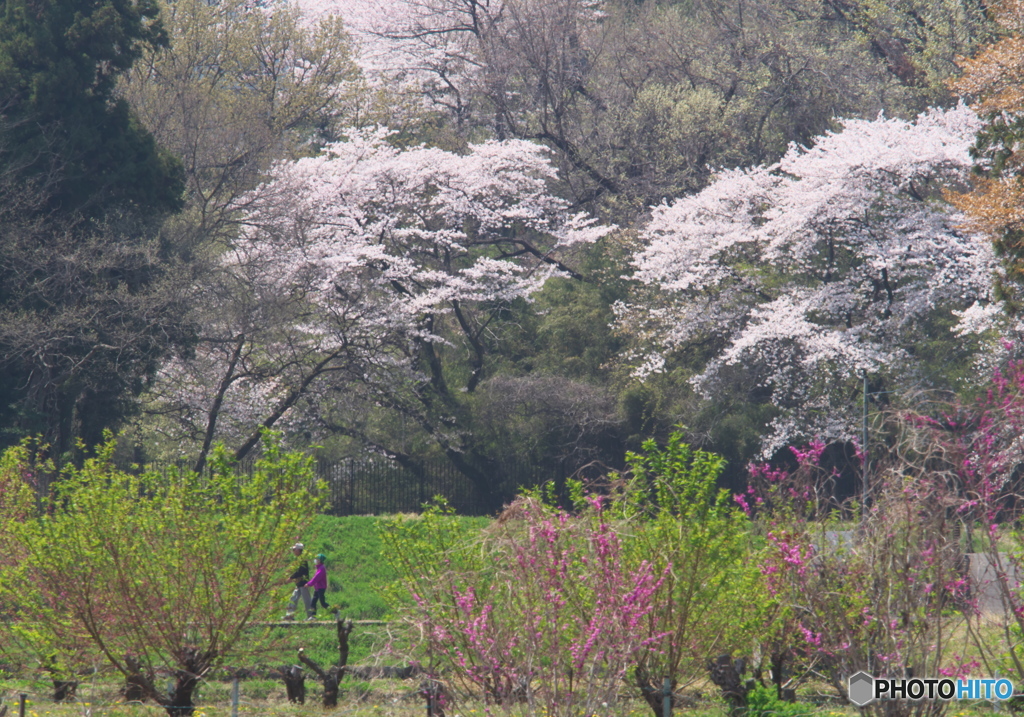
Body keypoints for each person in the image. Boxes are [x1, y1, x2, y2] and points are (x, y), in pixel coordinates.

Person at [283, 542, 314, 621]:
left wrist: (291, 578)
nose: (293, 551)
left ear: (298, 550)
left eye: (294, 549)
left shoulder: (302, 560)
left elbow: (299, 572)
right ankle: (289, 615)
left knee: (307, 600)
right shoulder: (299, 559)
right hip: (298, 583)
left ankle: (311, 616)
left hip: (303, 583)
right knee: (293, 598)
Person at [305, 553, 330, 621]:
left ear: (320, 560)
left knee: (323, 603)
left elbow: (316, 578)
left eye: (317, 559)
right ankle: (313, 616)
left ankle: (335, 611)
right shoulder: (319, 567)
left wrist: (309, 584)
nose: (315, 560)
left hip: (321, 588)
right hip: (317, 588)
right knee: (313, 602)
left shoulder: (321, 568)